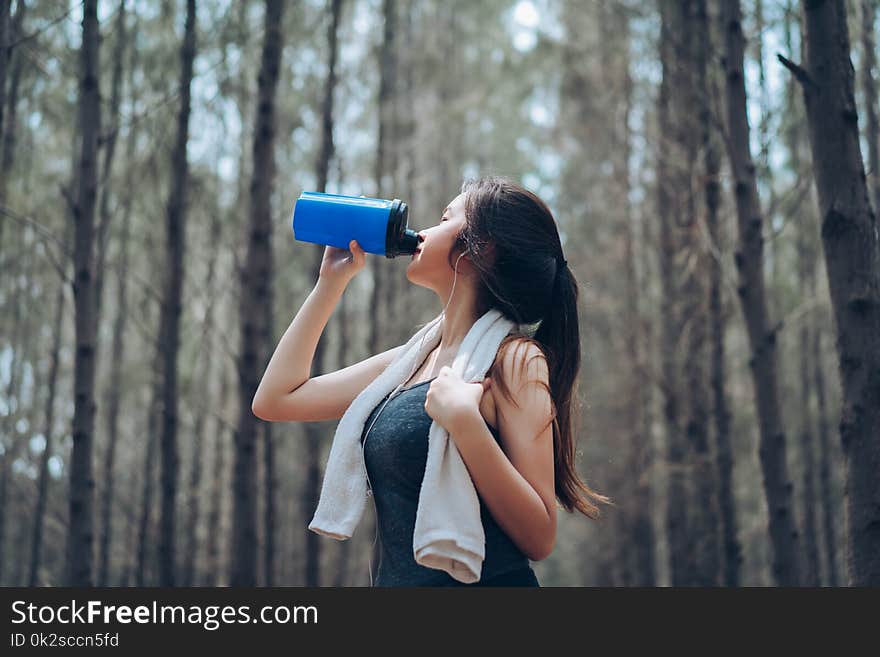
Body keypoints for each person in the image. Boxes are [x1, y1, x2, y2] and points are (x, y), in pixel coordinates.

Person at [252, 175, 612, 587]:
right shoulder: (410, 362)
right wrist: (329, 286)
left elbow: (540, 536)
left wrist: (465, 422)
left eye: (445, 218)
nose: (422, 231)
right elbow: (276, 399)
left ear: (482, 248)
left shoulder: (514, 359)